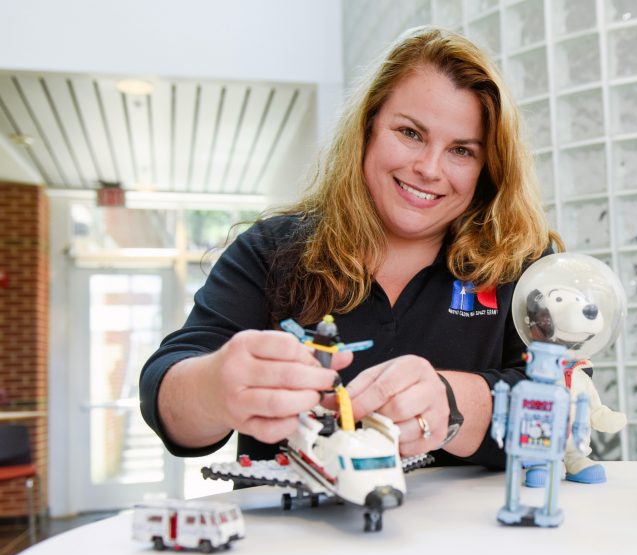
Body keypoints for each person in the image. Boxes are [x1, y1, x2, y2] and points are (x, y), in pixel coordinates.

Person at [139, 26, 562, 470]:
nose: (429, 169)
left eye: (461, 150)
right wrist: (214, 387)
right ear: (368, 128)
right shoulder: (270, 251)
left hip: (477, 537)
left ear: (488, 168)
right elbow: (165, 393)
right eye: (410, 133)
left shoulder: (527, 266)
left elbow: (571, 404)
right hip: (299, 536)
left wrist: (454, 404)